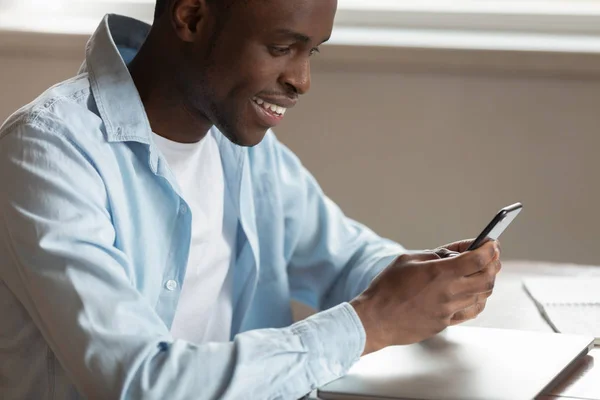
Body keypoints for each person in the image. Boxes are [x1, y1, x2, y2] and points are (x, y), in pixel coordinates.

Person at [0, 0, 501, 399]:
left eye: (312, 52)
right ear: (191, 17)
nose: (301, 81)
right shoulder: (47, 152)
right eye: (283, 47)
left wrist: (431, 282)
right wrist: (372, 320)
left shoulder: (238, 146)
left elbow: (345, 258)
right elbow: (139, 382)